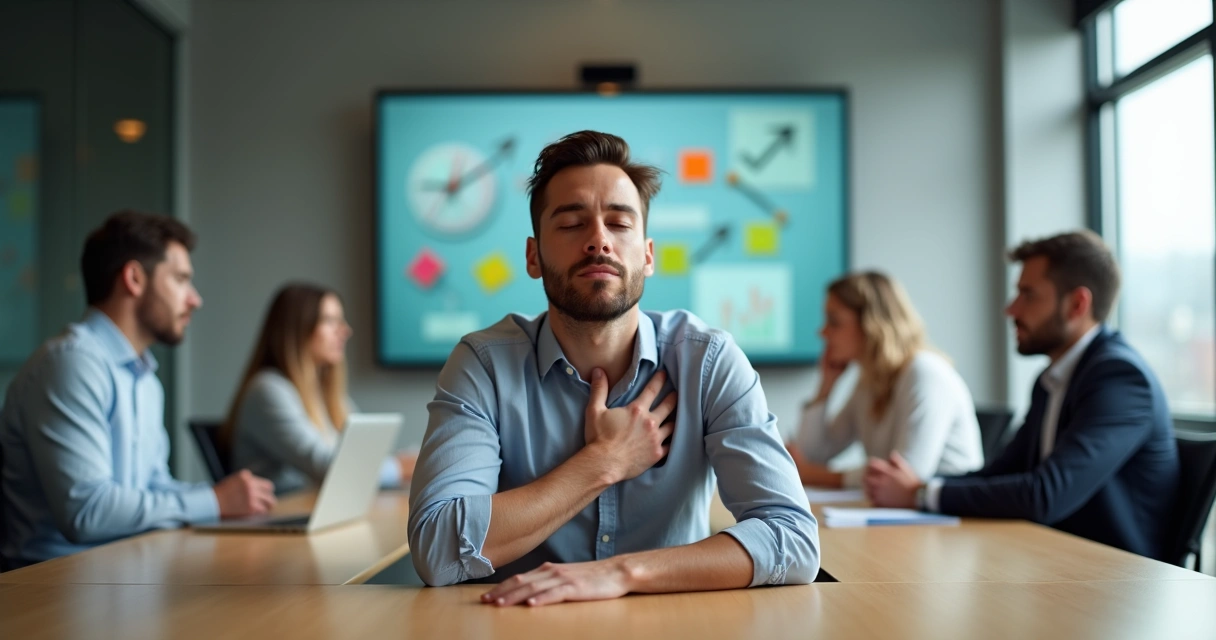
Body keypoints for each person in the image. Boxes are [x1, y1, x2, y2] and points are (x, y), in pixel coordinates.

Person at [408, 131, 818, 606]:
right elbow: (436, 550)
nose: (598, 241)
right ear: (533, 256)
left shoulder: (708, 361)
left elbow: (793, 539)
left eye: (619, 224)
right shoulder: (483, 364)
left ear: (647, 255)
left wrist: (622, 573)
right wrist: (604, 463)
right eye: (571, 223)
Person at [865, 230, 1180, 560]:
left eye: (1027, 295)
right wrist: (917, 484)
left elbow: (1046, 494)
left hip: (1115, 582)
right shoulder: (1053, 379)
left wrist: (920, 493)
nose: (1011, 309)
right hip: (1055, 563)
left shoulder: (1120, 379)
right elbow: (1001, 472)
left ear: (1077, 304)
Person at [0, 211, 276, 570]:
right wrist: (212, 501)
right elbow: (86, 512)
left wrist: (225, 498)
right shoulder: (72, 363)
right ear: (134, 278)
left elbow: (152, 486)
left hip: (118, 569)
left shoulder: (144, 377)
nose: (194, 299)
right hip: (47, 583)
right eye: (180, 280)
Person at [788, 272, 983, 488]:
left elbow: (904, 475)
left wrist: (812, 474)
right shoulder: (868, 383)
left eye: (834, 321)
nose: (822, 332)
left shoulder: (925, 373)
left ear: (871, 324)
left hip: (957, 517)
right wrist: (826, 385)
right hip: (910, 516)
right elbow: (812, 455)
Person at [223, 283, 415, 495]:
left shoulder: (325, 394)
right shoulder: (268, 390)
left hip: (312, 513)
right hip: (279, 517)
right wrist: (401, 466)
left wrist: (402, 462)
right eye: (330, 320)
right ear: (297, 329)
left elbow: (364, 457)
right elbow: (333, 469)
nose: (345, 331)